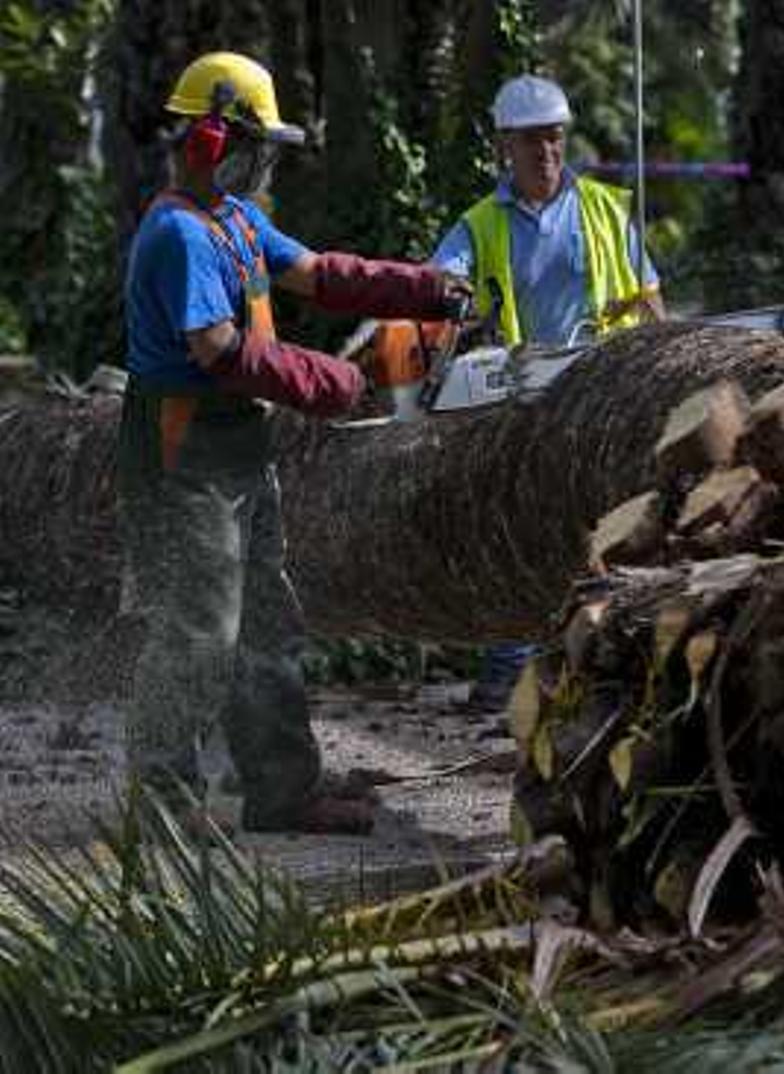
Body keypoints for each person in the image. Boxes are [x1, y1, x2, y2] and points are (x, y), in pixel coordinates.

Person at [119, 51, 469, 834]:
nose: (265, 160)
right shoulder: (179, 233)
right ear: (214, 141)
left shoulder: (237, 222)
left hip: (240, 440)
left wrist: (423, 288)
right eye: (259, 146)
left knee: (269, 621)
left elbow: (321, 274)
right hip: (183, 453)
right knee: (200, 626)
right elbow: (218, 349)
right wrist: (335, 383)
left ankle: (282, 789)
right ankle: (162, 803)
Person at [430, 73, 664, 707]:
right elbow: (438, 281)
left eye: (556, 139)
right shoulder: (480, 225)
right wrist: (445, 297)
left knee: (601, 524)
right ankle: (508, 667)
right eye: (532, 141)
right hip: (521, 399)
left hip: (603, 391)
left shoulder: (604, 211)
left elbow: (648, 300)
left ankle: (600, 663)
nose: (547, 153)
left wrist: (667, 363)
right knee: (519, 526)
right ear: (505, 146)